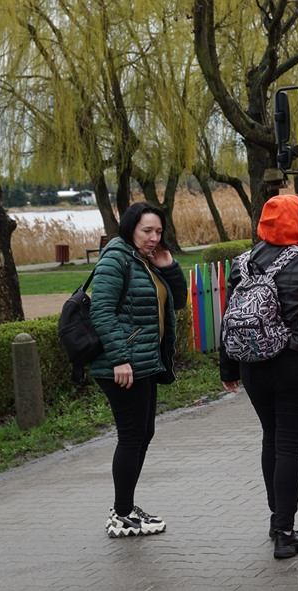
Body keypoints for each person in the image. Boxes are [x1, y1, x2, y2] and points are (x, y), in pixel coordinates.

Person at [219, 195, 298, 559]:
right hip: (294, 363)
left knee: (271, 437)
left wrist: (228, 368)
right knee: (290, 446)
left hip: (252, 365)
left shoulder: (242, 262)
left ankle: (275, 520)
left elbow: (229, 315)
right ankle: (286, 532)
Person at [89, 202, 188, 538]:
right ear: (131, 228)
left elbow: (178, 301)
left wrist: (169, 266)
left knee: (143, 434)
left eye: (159, 231)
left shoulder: (146, 261)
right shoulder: (116, 258)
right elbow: (101, 310)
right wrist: (119, 357)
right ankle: (120, 514)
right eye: (147, 230)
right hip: (123, 365)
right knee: (132, 436)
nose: (154, 237)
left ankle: (127, 507)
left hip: (143, 362)